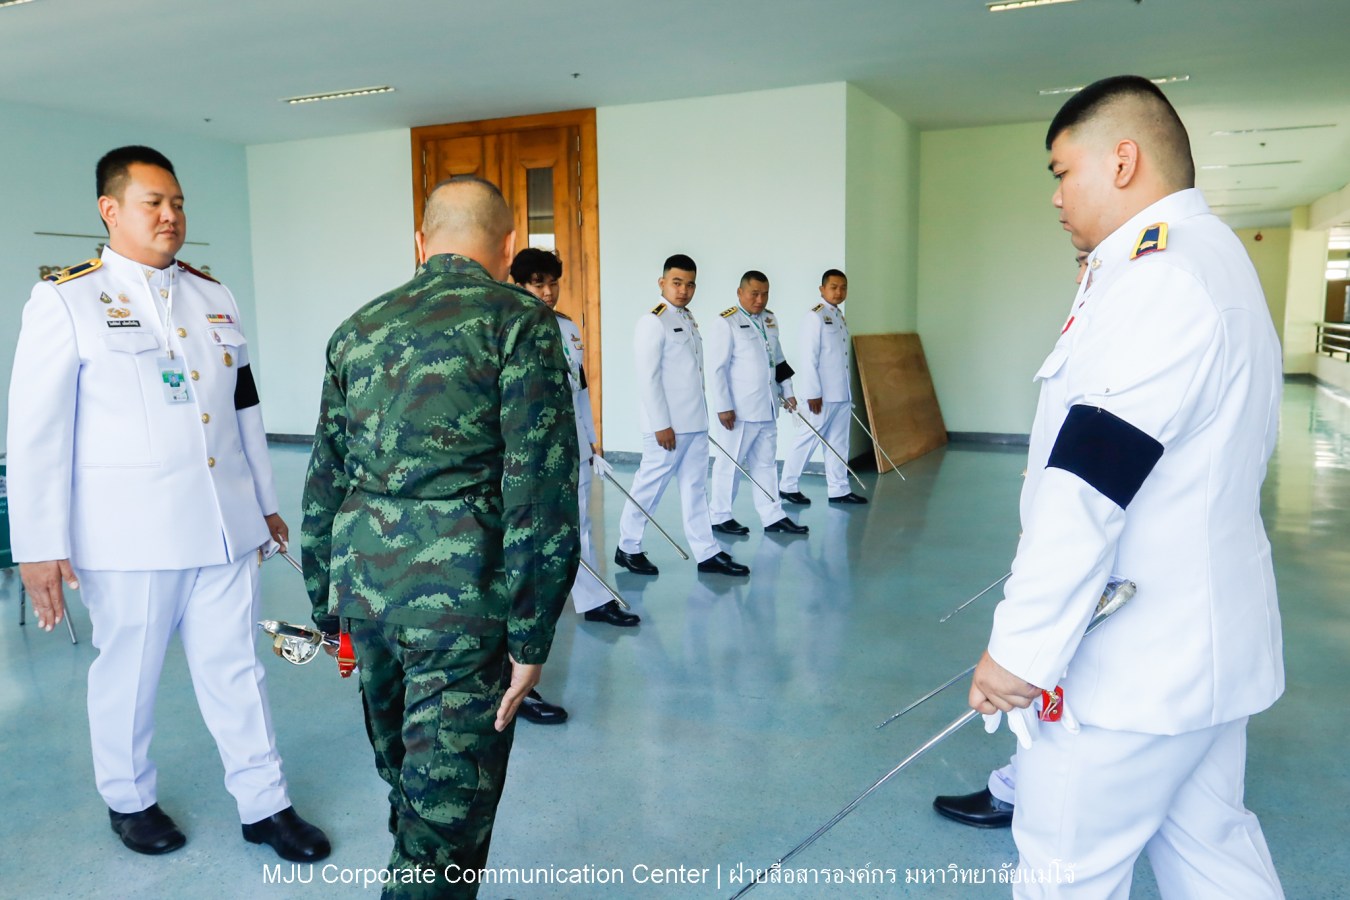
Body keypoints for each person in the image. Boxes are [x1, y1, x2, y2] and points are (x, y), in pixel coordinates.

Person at [968, 76, 1284, 896]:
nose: (1054, 195)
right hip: (1198, 651)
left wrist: (1020, 649)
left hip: (1134, 666)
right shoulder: (1208, 260)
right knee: (1214, 855)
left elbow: (1088, 484)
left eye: (1060, 171)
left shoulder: (1158, 279)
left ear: (1123, 160)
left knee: (1062, 872)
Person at [6, 146, 328, 861]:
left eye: (178, 202)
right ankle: (129, 800)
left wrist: (266, 505)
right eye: (154, 202)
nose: (171, 215)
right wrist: (37, 546)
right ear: (110, 209)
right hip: (129, 536)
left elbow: (244, 408)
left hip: (224, 527)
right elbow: (36, 433)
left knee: (236, 668)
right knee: (129, 674)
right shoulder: (67, 299)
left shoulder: (214, 296)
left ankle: (265, 805)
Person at [302, 177, 579, 897]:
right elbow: (540, 491)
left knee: (407, 784)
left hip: (367, 597)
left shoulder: (357, 328)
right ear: (508, 245)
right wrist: (532, 636)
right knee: (443, 829)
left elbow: (325, 479)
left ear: (420, 242)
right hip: (464, 608)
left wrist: (327, 609)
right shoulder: (518, 323)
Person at [933, 249, 1090, 831]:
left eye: (1087, 261)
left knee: (1058, 683)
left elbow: (1088, 496)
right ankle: (1021, 785)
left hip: (1077, 557)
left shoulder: (1118, 324)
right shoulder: (1091, 318)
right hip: (1063, 540)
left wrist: (1014, 646)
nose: (1080, 272)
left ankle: (1023, 792)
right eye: (1077, 262)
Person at [507, 249, 637, 727]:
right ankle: (518, 679)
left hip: (570, 450)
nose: (546, 292)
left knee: (579, 527)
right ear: (517, 283)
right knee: (525, 559)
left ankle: (596, 598)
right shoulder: (506, 328)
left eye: (551, 283)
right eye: (536, 283)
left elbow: (579, 390)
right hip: (525, 460)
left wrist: (590, 443)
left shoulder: (567, 328)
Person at [613, 254, 750, 577]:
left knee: (695, 489)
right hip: (668, 426)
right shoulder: (653, 321)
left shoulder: (687, 318)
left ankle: (707, 551)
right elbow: (649, 378)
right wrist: (661, 425)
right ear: (662, 283)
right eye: (677, 283)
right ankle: (627, 547)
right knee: (650, 487)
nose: (684, 290)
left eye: (690, 284)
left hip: (694, 424)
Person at [707, 270, 807, 536]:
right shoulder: (726, 322)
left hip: (767, 407)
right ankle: (719, 516)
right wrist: (723, 406)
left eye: (765, 294)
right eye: (754, 293)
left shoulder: (770, 320)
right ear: (740, 293)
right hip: (739, 410)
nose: (760, 300)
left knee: (766, 465)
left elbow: (779, 359)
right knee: (730, 465)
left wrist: (788, 391)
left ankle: (773, 515)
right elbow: (717, 369)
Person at [778, 270, 866, 506]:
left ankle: (839, 489)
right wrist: (813, 393)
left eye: (843, 288)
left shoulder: (837, 316)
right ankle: (787, 485)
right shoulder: (814, 317)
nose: (839, 292)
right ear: (822, 289)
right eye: (834, 287)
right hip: (822, 395)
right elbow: (809, 358)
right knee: (808, 438)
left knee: (839, 443)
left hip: (840, 394)